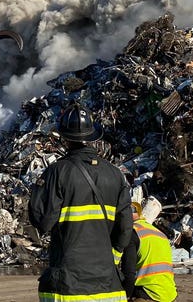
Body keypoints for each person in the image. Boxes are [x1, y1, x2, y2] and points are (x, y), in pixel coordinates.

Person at [29, 102, 133, 301]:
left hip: (68, 287)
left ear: (64, 138)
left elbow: (42, 220)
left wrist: (40, 190)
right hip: (109, 287)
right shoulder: (115, 175)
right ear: (93, 136)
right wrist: (112, 258)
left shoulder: (57, 172)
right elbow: (126, 228)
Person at [120, 202, 178, 302]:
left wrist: (125, 297)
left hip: (149, 294)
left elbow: (129, 274)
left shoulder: (133, 234)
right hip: (170, 294)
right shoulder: (160, 234)